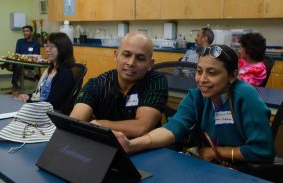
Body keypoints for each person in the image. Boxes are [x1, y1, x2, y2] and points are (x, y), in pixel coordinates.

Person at [114, 45, 275, 165]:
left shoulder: (245, 96)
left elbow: (262, 151)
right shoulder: (197, 95)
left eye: (212, 73)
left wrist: (216, 152)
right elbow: (172, 128)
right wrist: (131, 145)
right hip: (212, 168)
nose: (202, 79)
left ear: (233, 75)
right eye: (199, 71)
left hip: (243, 173)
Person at [70, 31, 168, 138]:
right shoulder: (98, 83)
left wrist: (100, 125)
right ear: (116, 56)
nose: (131, 63)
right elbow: (74, 122)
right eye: (126, 55)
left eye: (140, 58)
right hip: (105, 147)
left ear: (150, 64)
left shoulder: (155, 81)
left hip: (144, 150)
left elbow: (141, 128)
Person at [17, 32, 75, 111]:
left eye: (52, 46)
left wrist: (29, 101)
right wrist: (28, 96)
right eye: (47, 46)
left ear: (63, 49)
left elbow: (52, 103)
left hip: (49, 115)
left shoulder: (64, 74)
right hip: (40, 109)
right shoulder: (50, 69)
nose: (47, 50)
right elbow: (41, 92)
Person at [1, 25, 40, 95]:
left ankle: (14, 85)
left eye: (27, 31)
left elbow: (36, 56)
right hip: (19, 62)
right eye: (24, 31)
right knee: (16, 63)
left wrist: (25, 57)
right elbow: (17, 53)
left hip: (28, 64)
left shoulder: (36, 43)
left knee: (17, 65)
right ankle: (15, 84)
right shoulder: (20, 41)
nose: (25, 33)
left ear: (31, 32)